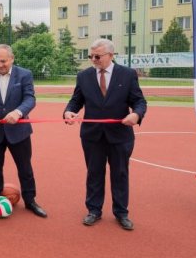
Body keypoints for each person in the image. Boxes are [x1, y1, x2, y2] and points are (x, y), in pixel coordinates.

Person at [63, 38, 147, 231]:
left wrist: (136, 114)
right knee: (94, 173)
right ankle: (94, 210)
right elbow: (76, 101)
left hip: (120, 135)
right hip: (92, 136)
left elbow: (139, 101)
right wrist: (68, 111)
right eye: (91, 56)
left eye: (97, 56)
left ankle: (121, 212)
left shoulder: (127, 75)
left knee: (120, 173)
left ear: (110, 55)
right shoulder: (84, 76)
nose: (93, 59)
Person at [0, 44, 47, 218]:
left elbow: (30, 98)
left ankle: (30, 201)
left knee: (25, 168)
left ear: (12, 59)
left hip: (19, 132)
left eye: (3, 61)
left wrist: (18, 112)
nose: (0, 65)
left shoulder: (24, 74)